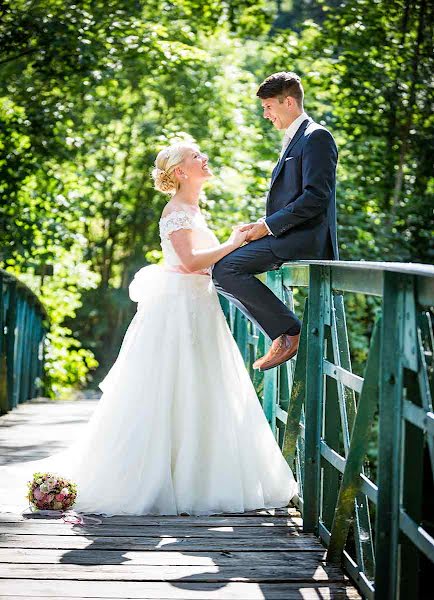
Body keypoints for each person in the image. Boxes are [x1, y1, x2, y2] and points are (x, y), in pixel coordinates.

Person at [0, 142, 297, 517]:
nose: (204, 159)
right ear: (180, 172)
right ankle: (160, 479)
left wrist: (238, 248)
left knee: (201, 387)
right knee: (171, 387)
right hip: (178, 310)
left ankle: (198, 476)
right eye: (195, 157)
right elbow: (189, 262)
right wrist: (233, 243)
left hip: (198, 307)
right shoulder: (175, 211)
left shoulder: (193, 209)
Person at [212, 71, 338, 372]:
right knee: (220, 267)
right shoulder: (295, 138)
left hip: (305, 238)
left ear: (289, 102)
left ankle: (288, 332)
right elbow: (292, 197)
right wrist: (261, 223)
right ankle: (284, 332)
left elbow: (315, 198)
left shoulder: (316, 136)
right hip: (287, 232)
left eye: (269, 106)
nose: (265, 114)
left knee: (226, 267)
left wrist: (267, 227)